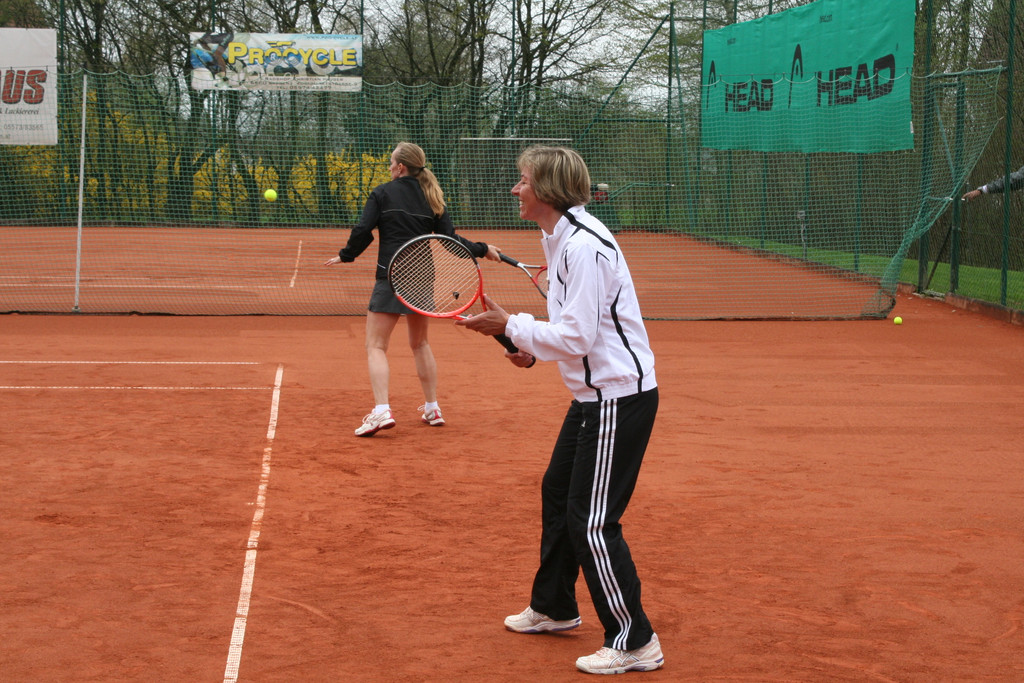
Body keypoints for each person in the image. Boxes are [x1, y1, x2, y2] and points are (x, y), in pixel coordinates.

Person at [456, 146, 663, 675]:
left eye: (523, 180)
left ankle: (635, 639)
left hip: (618, 397)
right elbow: (572, 330)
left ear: (547, 189)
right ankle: (554, 606)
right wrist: (522, 345)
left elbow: (578, 336)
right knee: (557, 491)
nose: (515, 188)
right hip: (593, 396)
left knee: (593, 522)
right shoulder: (559, 238)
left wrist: (511, 325)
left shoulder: (583, 247)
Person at [325, 141, 501, 437]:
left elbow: (363, 230)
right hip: (421, 277)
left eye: (391, 162)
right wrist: (483, 249)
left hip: (391, 276)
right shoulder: (432, 196)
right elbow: (451, 241)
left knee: (376, 346)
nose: (389, 167)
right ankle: (433, 408)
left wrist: (347, 255)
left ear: (401, 167)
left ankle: (382, 410)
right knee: (420, 344)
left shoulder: (382, 192)